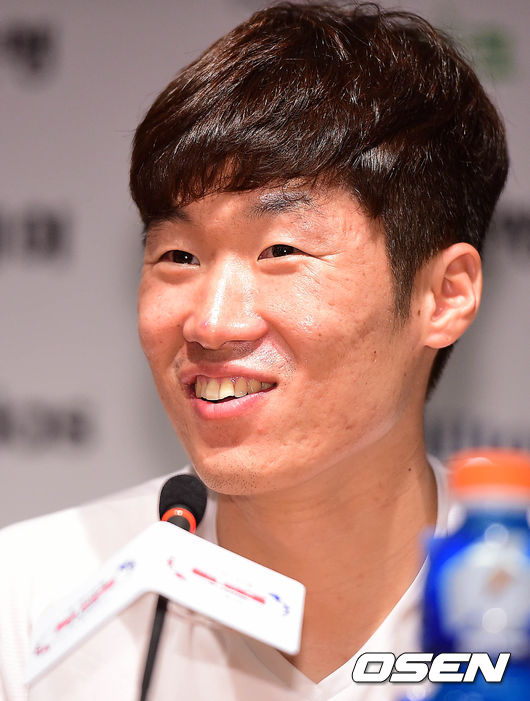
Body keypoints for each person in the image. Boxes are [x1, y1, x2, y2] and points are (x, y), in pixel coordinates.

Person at [0, 2, 508, 699]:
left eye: (280, 251)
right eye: (178, 256)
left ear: (443, 296)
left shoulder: (509, 594)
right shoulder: (27, 602)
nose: (211, 324)